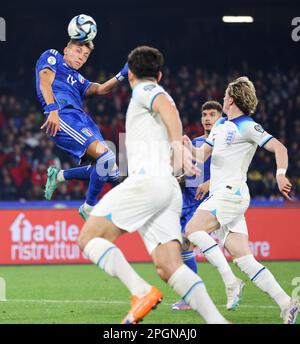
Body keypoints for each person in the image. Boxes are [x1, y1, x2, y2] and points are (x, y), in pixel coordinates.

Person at [78, 46, 229, 324]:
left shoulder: (145, 91)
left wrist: (176, 142)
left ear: (131, 73)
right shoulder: (154, 95)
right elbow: (166, 109)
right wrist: (176, 146)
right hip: (168, 189)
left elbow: (164, 104)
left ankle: (141, 291)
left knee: (89, 238)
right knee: (169, 265)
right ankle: (218, 321)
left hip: (148, 181)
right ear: (159, 73)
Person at [184, 76, 299, 324]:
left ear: (232, 99)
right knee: (244, 258)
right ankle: (286, 303)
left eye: (225, 95)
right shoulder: (220, 125)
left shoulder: (247, 126)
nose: (223, 98)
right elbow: (202, 156)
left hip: (231, 193)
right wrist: (187, 148)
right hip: (222, 194)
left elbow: (281, 148)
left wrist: (280, 176)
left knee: (192, 229)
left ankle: (230, 282)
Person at [35, 39, 128, 219]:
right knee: (106, 157)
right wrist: (52, 108)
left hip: (83, 119)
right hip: (64, 115)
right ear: (66, 50)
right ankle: (89, 207)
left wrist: (121, 75)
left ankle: (60, 176)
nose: (81, 58)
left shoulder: (78, 79)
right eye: (78, 51)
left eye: (85, 55)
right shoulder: (53, 57)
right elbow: (44, 80)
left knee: (113, 173)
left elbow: (100, 89)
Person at [173, 100, 245, 311]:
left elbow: (235, 173)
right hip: (187, 202)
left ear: (221, 117)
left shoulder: (228, 143)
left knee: (189, 243)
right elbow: (185, 171)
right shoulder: (195, 143)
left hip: (211, 203)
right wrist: (179, 177)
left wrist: (209, 183)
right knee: (183, 247)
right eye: (204, 114)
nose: (207, 118)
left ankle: (198, 295)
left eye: (212, 114)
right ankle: (194, 296)